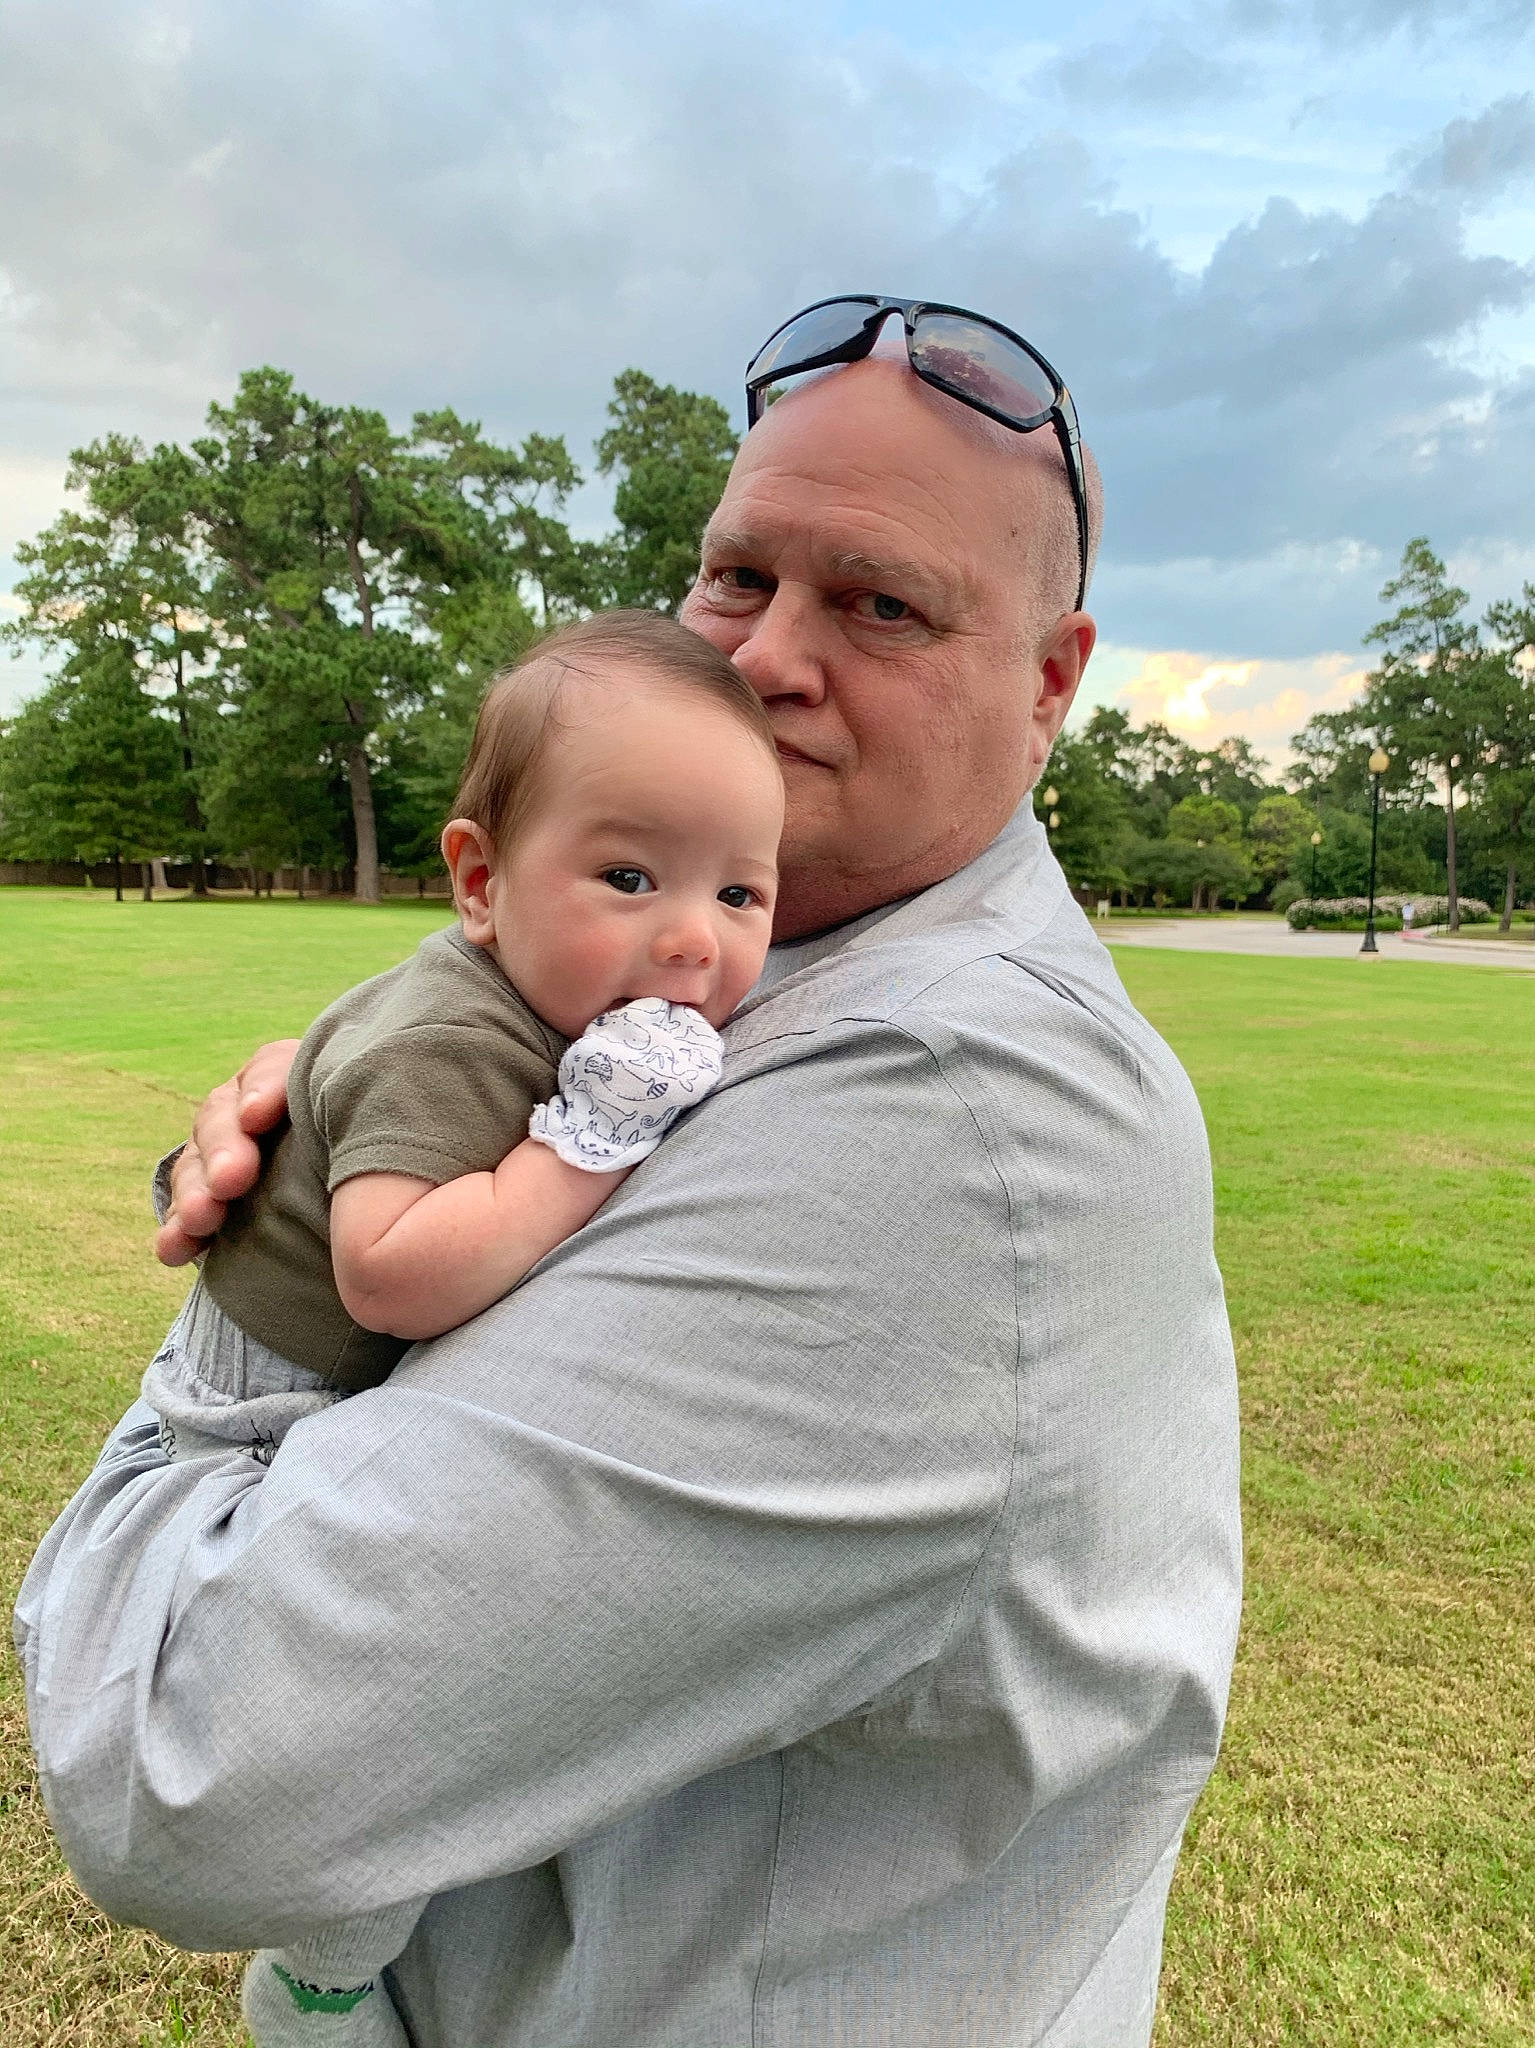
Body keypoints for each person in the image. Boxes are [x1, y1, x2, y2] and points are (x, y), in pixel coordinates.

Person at [16, 297, 1242, 2048]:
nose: (760, 659)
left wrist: (261, 1299)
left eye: (881, 602)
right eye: (736, 578)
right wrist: (367, 1127)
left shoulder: (942, 1107)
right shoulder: (726, 997)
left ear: (1051, 682)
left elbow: (180, 1761)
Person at [137, 608, 782, 2045]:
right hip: (259, 1401)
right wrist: (585, 1148)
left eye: (744, 894)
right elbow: (390, 1273)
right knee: (370, 1724)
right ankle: (315, 1986)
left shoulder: (560, 995)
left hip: (325, 1376)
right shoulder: (459, 1039)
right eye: (628, 876)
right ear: (481, 885)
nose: (693, 939)